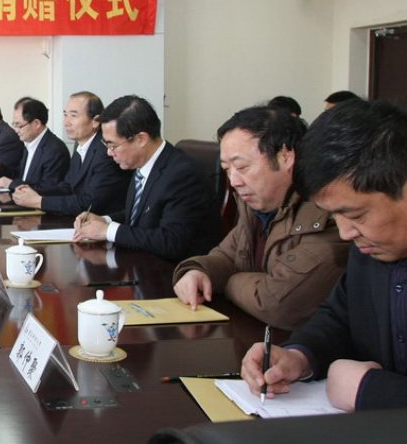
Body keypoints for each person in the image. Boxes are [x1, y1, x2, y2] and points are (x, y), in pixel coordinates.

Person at [242, 100, 407, 412]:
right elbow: (340, 318)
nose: (345, 233)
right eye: (334, 216)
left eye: (355, 215)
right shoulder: (370, 246)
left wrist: (372, 391)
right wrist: (299, 356)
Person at [172, 107, 348, 330]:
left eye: (242, 167)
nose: (233, 181)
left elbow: (278, 304)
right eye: (227, 169)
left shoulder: (327, 212)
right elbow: (226, 257)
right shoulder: (256, 206)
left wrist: (228, 281)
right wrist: (196, 271)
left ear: (285, 157)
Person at [72, 95, 220, 262]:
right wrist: (105, 220)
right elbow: (142, 215)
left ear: (141, 139)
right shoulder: (142, 164)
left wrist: (108, 231)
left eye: (112, 145)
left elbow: (171, 241)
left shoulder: (182, 175)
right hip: (141, 261)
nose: (109, 152)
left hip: (172, 270)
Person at [12, 91, 130, 216]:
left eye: (73, 116)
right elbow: (67, 187)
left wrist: (39, 201)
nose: (66, 122)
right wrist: (32, 192)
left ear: (95, 121)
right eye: (65, 115)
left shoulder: (106, 151)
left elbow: (89, 202)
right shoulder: (80, 145)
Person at [0, 98, 70, 193]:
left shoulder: (55, 150)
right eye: (14, 125)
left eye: (19, 125)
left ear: (36, 124)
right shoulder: (30, 143)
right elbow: (21, 175)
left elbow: (48, 189)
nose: (16, 130)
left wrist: (12, 184)